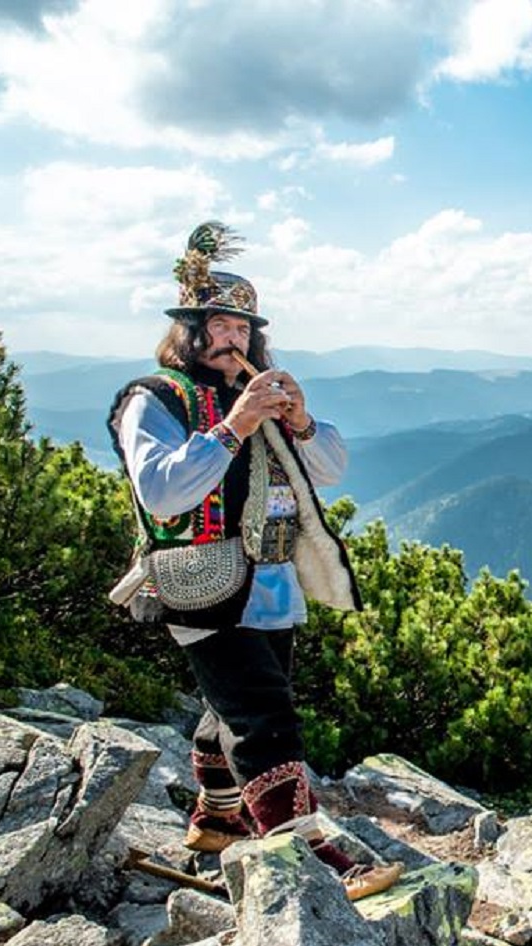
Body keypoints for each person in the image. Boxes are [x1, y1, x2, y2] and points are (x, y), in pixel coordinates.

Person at [107, 221, 402, 901]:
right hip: (199, 579)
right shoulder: (153, 400)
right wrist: (236, 424)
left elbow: (328, 467)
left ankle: (218, 820)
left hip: (270, 581)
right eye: (219, 325)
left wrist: (297, 420)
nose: (233, 339)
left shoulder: (259, 399)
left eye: (243, 327)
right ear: (189, 331)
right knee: (263, 713)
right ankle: (307, 853)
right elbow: (162, 491)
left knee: (232, 703)